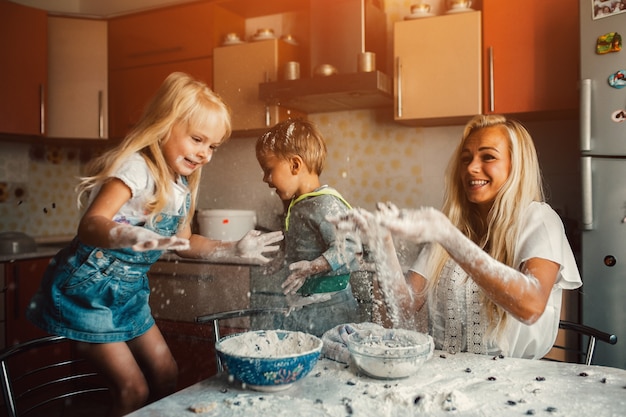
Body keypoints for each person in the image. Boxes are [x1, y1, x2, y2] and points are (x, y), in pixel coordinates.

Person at [26, 72, 283, 416]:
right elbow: (91, 225)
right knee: (133, 388)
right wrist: (127, 234)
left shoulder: (179, 185)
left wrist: (232, 249)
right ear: (165, 125)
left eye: (212, 146)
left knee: (166, 373)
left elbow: (185, 241)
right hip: (88, 293)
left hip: (128, 294)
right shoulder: (137, 168)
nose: (205, 153)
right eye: (197, 139)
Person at [332, 114, 582, 359]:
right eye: (466, 158)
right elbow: (404, 310)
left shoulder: (539, 220)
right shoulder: (451, 227)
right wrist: (382, 242)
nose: (472, 167)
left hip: (514, 381)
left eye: (488, 157)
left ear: (516, 166)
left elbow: (530, 306)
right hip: (445, 375)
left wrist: (447, 235)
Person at [255, 119, 361, 337]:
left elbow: (350, 246)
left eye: (269, 170)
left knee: (327, 362)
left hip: (332, 308)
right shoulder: (299, 203)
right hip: (309, 304)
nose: (265, 179)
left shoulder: (325, 205)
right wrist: (281, 256)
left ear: (295, 165)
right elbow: (300, 239)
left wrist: (313, 267)